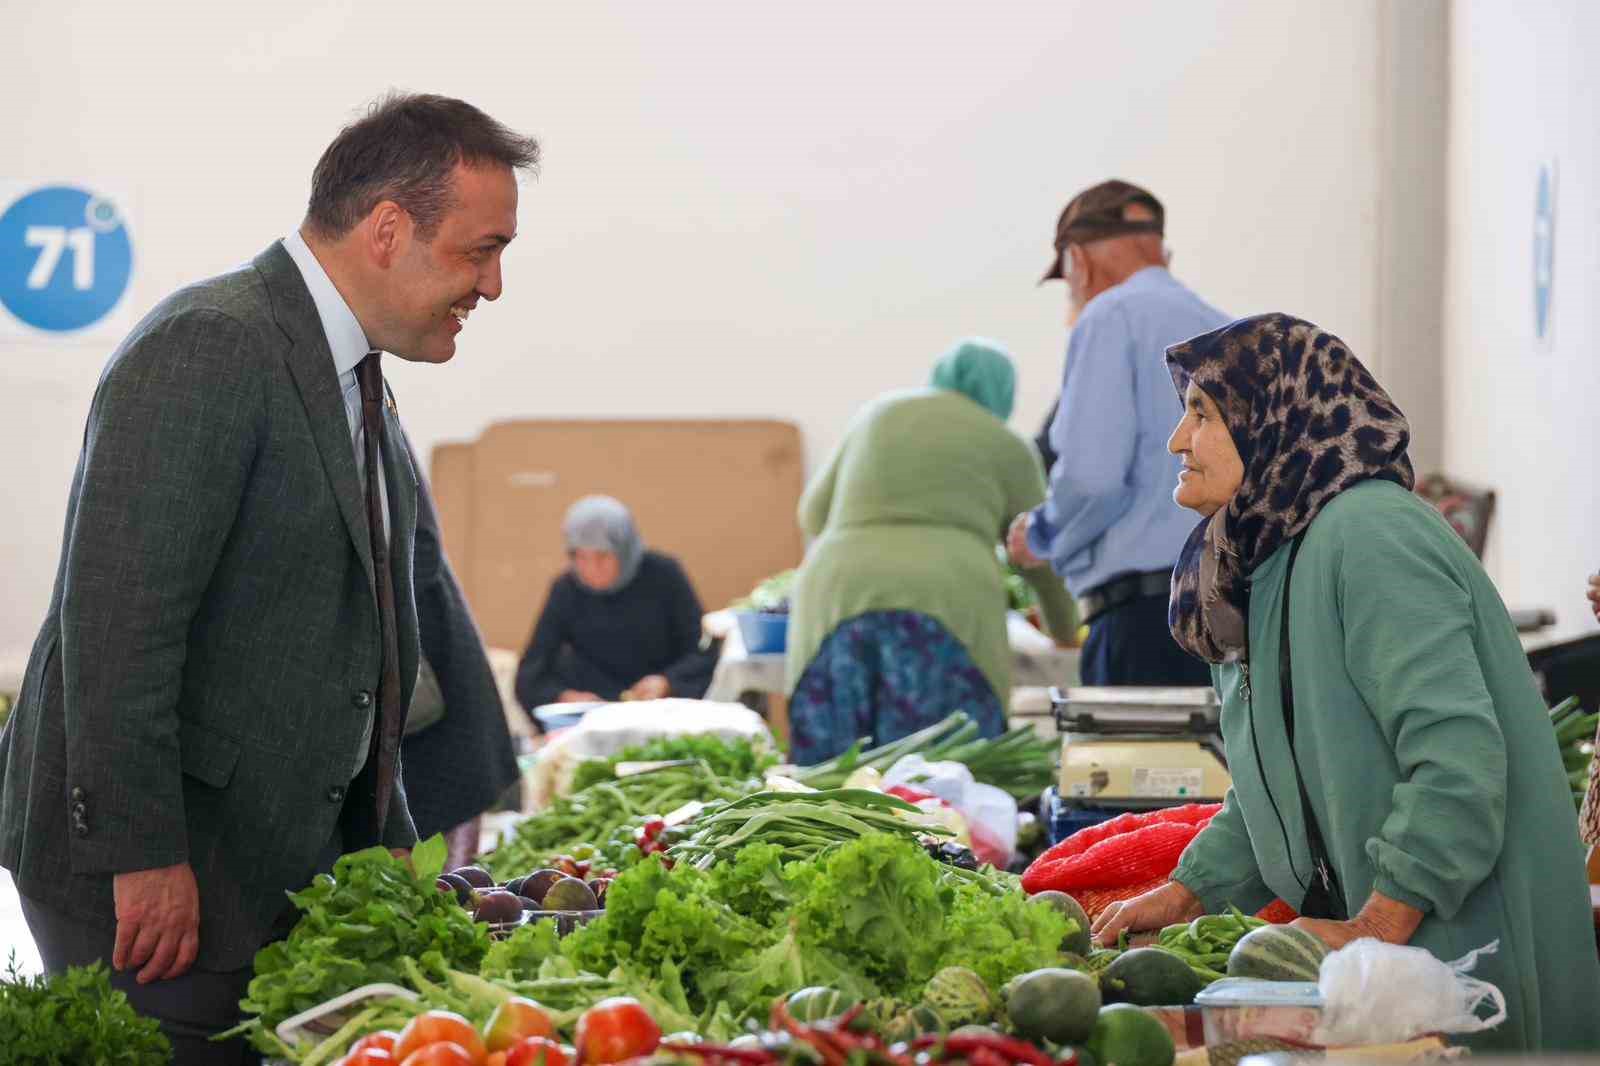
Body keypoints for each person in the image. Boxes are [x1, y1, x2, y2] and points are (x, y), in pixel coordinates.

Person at [0, 93, 538, 1062]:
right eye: (479, 250)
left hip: (256, 874)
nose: (493, 286)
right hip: (156, 886)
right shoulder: (211, 345)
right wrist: (144, 852)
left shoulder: (354, 376)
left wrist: (388, 851)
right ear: (386, 230)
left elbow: (358, 643)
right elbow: (118, 628)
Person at [1092, 313, 1600, 1052]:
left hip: (1470, 958)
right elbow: (1279, 778)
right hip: (1402, 967)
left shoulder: (1369, 536)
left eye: (1201, 414)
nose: (1178, 442)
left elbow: (1458, 760)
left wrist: (1375, 926)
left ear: (1270, 418)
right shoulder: (1267, 560)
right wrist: (1188, 890)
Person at [786, 339, 1078, 765]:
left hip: (838, 593)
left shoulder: (877, 415)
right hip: (948, 600)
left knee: (830, 780)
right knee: (938, 780)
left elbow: (812, 515)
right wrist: (1065, 630)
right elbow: (1037, 552)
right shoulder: (1006, 445)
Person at [1007, 180, 1228, 686]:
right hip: (1227, 619)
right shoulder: (1226, 329)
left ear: (1077, 260)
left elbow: (1093, 478)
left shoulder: (1110, 315)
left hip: (1144, 621)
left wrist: (1042, 534)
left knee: (1135, 766)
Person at [400, 435, 521, 872]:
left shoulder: (371, 422)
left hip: (436, 700)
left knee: (440, 883)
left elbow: (422, 549)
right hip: (423, 704)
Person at [515, 497, 719, 712]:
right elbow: (531, 673)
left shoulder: (664, 575)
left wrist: (668, 682)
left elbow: (703, 650)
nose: (591, 568)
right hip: (593, 711)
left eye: (602, 556)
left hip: (660, 709)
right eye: (581, 557)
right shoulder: (567, 589)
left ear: (625, 551)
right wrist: (563, 697)